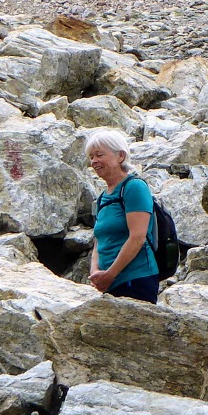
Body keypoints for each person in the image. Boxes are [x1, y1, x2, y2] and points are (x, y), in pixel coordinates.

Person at [85, 129, 159, 304]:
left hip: (136, 280)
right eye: (91, 157)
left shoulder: (134, 187)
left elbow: (138, 237)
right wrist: (95, 271)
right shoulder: (103, 197)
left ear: (120, 156)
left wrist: (110, 274)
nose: (94, 161)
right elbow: (98, 239)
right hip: (108, 283)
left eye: (99, 155)